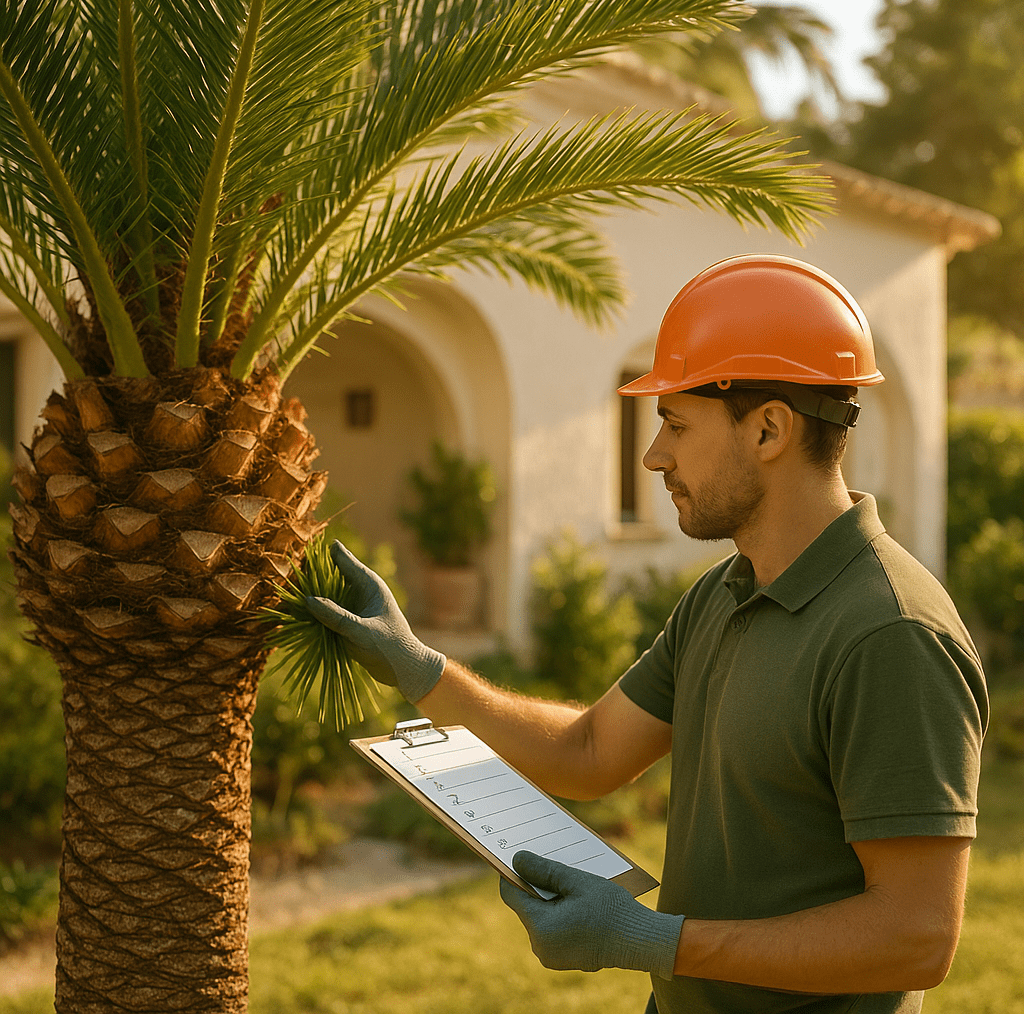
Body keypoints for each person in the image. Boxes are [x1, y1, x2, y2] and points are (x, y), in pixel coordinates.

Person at [307, 254, 988, 1014]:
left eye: (674, 422)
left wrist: (656, 940)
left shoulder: (890, 634)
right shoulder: (721, 596)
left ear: (768, 428)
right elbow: (590, 753)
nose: (652, 454)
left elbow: (917, 934)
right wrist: (420, 667)